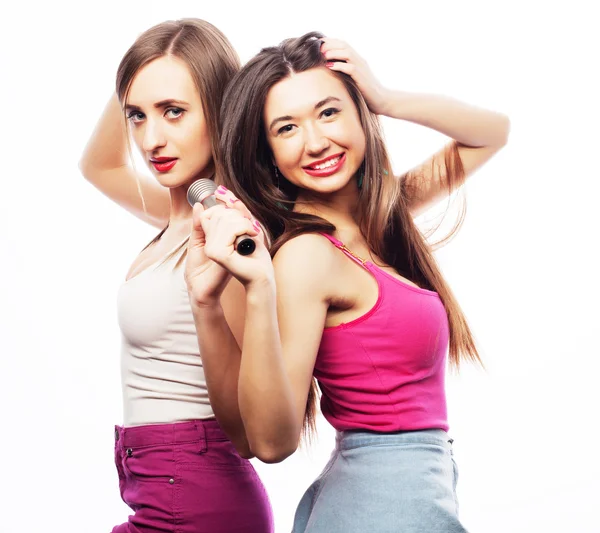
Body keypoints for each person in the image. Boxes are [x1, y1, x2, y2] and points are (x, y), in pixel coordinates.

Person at [186, 32, 510, 532]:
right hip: (381, 504)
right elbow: (271, 444)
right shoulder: (308, 256)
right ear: (268, 152)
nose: (316, 142)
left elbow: (491, 132)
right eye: (287, 128)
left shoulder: (383, 216)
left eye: (329, 112)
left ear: (360, 116)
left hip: (402, 497)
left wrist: (385, 98)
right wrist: (258, 290)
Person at [79, 18, 272, 533]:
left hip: (194, 492)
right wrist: (136, 72)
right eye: (137, 116)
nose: (151, 138)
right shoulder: (176, 218)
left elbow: (244, 420)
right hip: (158, 482)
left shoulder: (228, 231)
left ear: (220, 110)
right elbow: (97, 166)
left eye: (174, 112)